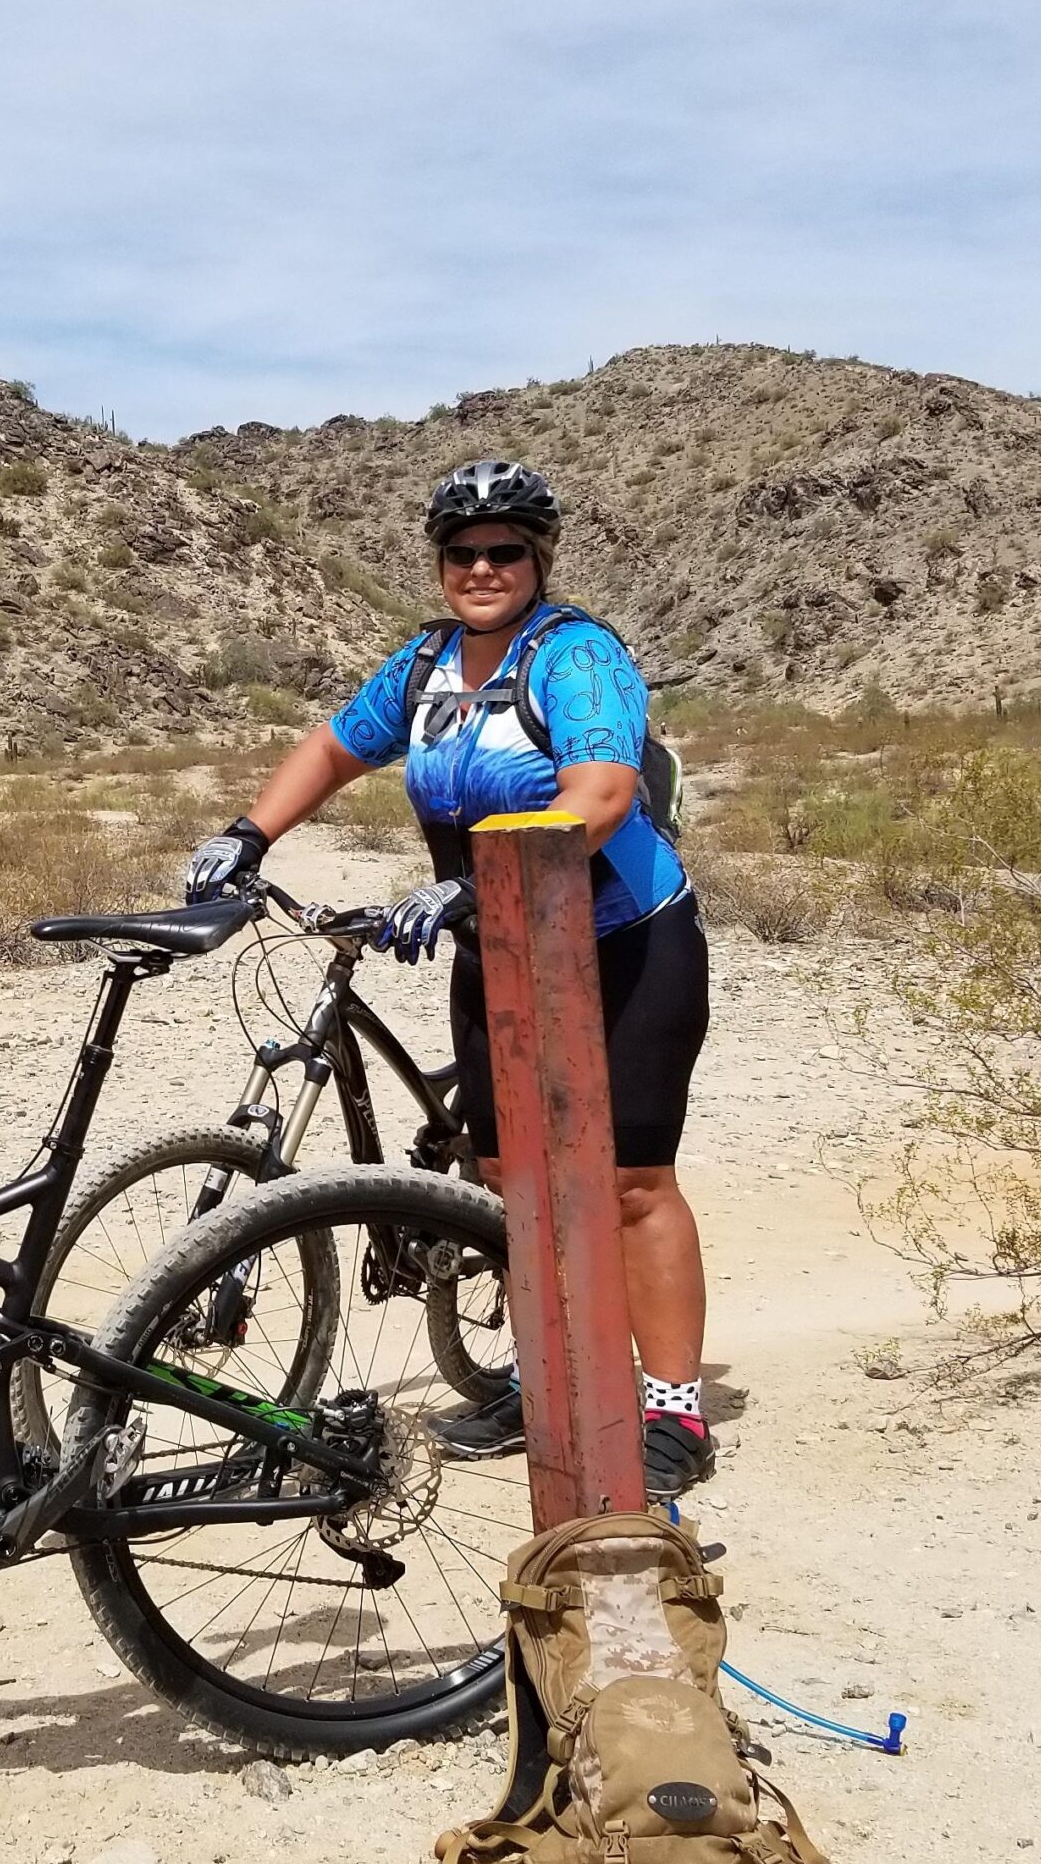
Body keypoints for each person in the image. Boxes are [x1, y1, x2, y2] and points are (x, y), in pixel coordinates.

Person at [183, 457, 715, 1498]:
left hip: (626, 938)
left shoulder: (575, 657)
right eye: (460, 552)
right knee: (508, 1181)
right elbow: (334, 747)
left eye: (503, 549)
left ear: (537, 558)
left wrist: (478, 879)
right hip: (502, 948)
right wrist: (246, 833)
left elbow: (600, 792)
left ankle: (673, 1411)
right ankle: (549, 1377)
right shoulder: (424, 665)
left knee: (630, 1185)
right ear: (438, 565)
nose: (481, 566)